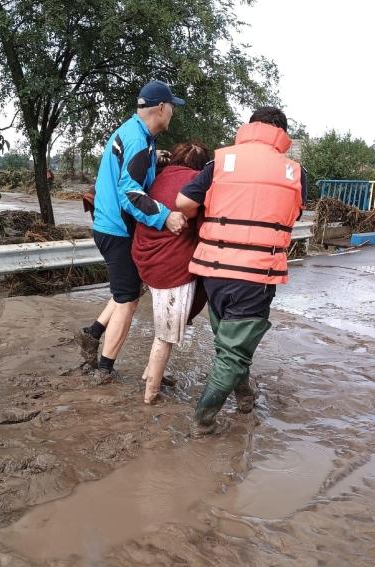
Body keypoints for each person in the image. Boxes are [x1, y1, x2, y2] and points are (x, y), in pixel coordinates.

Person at [176, 106, 303, 435]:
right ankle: (202, 421)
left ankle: (244, 397)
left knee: (227, 343)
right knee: (232, 352)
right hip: (256, 275)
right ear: (281, 132)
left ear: (250, 127)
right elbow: (295, 213)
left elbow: (183, 203)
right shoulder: (293, 171)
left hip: (213, 271)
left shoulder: (220, 161)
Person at [76, 80, 188, 384]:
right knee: (128, 299)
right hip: (117, 230)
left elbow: (133, 168)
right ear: (162, 108)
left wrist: (157, 158)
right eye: (172, 109)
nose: (172, 115)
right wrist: (165, 217)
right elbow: (130, 192)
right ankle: (104, 369)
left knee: (129, 288)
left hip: (107, 225)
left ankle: (93, 333)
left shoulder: (135, 133)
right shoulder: (139, 142)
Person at [131, 141, 212, 404]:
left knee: (164, 325)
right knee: (165, 335)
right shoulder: (196, 184)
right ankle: (150, 394)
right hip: (171, 266)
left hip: (144, 258)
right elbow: (204, 228)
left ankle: (150, 374)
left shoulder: (158, 177)